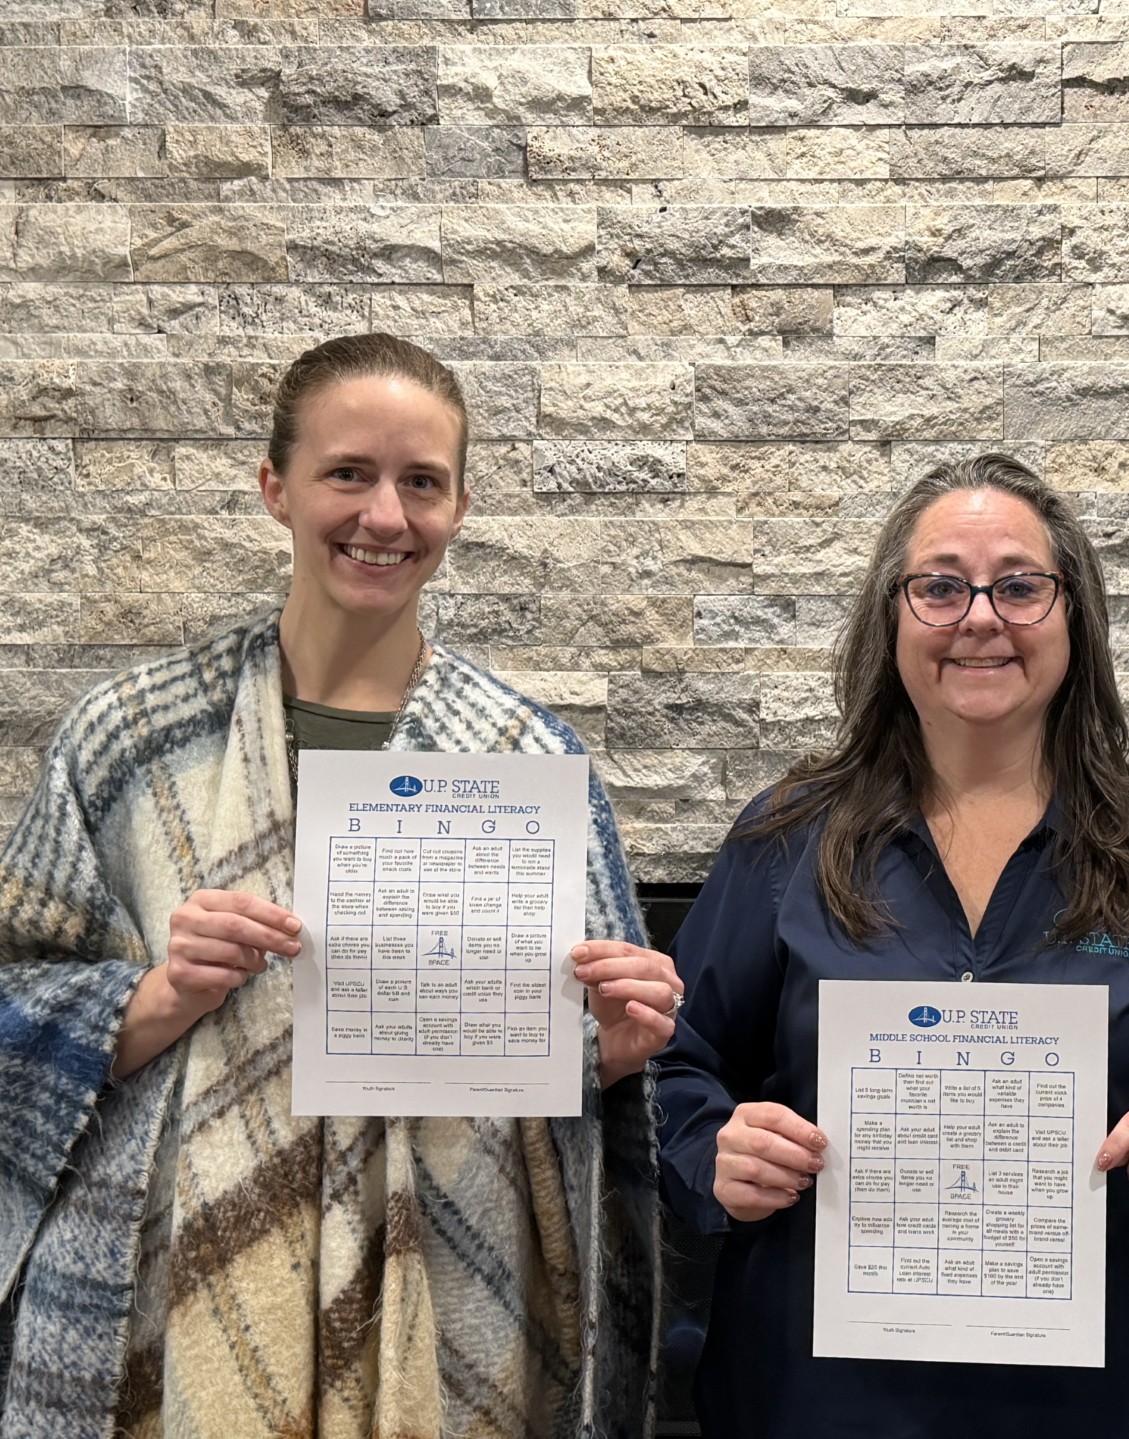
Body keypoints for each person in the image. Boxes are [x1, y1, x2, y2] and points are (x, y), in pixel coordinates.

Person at [0, 334, 679, 1439]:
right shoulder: (128, 740)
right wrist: (154, 996)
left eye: (423, 482)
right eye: (348, 472)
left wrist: (606, 1046)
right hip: (169, 1288)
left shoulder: (526, 760)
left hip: (456, 1281)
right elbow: (15, 997)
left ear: (460, 507)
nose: (385, 515)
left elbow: (573, 1075)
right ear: (276, 487)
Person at [652, 454, 1129, 1438]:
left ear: (1073, 615)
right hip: (818, 1400)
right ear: (893, 616)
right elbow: (669, 1065)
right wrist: (711, 1148)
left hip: (1096, 1406)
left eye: (1021, 585)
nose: (981, 616)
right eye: (941, 585)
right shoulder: (786, 840)